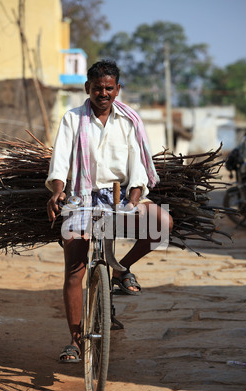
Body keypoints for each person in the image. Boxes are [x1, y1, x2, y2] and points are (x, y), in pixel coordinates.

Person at [46, 60, 173, 362]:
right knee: (75, 268)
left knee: (162, 223)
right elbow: (61, 160)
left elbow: (138, 164)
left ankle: (119, 269)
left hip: (118, 198)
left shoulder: (128, 120)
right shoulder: (73, 119)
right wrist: (58, 191)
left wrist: (137, 191)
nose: (103, 93)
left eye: (109, 88)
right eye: (97, 87)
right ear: (87, 88)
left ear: (118, 90)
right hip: (80, 196)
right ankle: (75, 342)